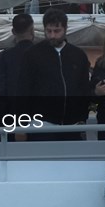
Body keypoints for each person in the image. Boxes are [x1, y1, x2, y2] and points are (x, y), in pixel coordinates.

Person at [18, 9, 91, 140]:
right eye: (49, 31)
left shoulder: (78, 56)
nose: (52, 35)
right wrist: (22, 123)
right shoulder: (32, 55)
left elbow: (84, 88)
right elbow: (23, 89)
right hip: (41, 123)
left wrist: (82, 117)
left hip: (73, 124)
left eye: (57, 31)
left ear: (65, 29)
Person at [0, 14, 34, 120]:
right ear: (32, 30)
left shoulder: (4, 57)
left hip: (11, 119)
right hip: (38, 120)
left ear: (13, 32)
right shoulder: (43, 55)